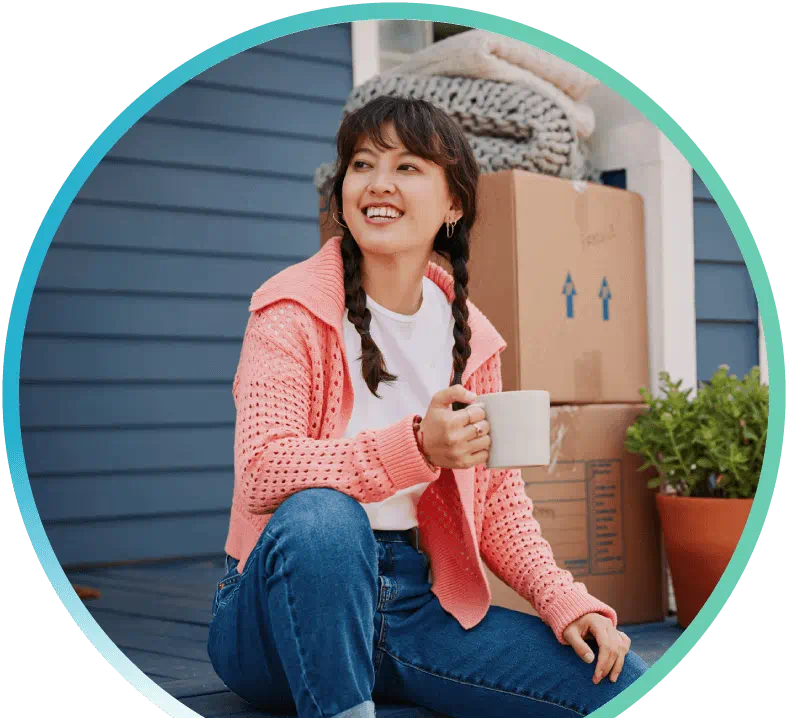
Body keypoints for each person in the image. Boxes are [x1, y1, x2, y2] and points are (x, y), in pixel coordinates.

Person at [207, 95, 649, 717]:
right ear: (341, 191)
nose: (378, 184)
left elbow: (499, 506)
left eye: (408, 167)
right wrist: (415, 448)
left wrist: (565, 601)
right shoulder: (290, 311)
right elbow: (263, 470)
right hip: (279, 614)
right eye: (362, 165)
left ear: (453, 204)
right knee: (324, 518)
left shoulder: (472, 340)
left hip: (414, 610)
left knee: (621, 679)